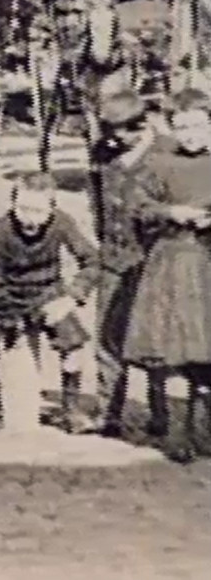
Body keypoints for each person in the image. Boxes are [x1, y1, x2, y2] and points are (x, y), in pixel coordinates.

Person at [0, 172, 101, 434]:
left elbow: (92, 261)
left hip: (46, 292)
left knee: (74, 344)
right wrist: (12, 322)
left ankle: (71, 409)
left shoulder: (62, 223)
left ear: (52, 207)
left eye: (39, 211)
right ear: (13, 204)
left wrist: (71, 297)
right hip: (2, 296)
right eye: (23, 209)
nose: (30, 219)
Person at [121, 88, 211, 462]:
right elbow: (137, 203)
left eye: (198, 126)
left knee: (207, 348)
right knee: (175, 349)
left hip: (209, 260)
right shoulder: (159, 163)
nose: (191, 135)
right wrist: (171, 213)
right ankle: (177, 433)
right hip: (174, 261)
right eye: (182, 127)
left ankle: (204, 430)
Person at [90, 89, 166, 438]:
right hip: (113, 258)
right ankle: (109, 413)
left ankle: (160, 411)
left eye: (118, 131)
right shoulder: (103, 153)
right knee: (108, 337)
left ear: (140, 125)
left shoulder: (165, 153)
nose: (111, 139)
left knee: (154, 338)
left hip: (153, 261)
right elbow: (97, 200)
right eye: (107, 131)